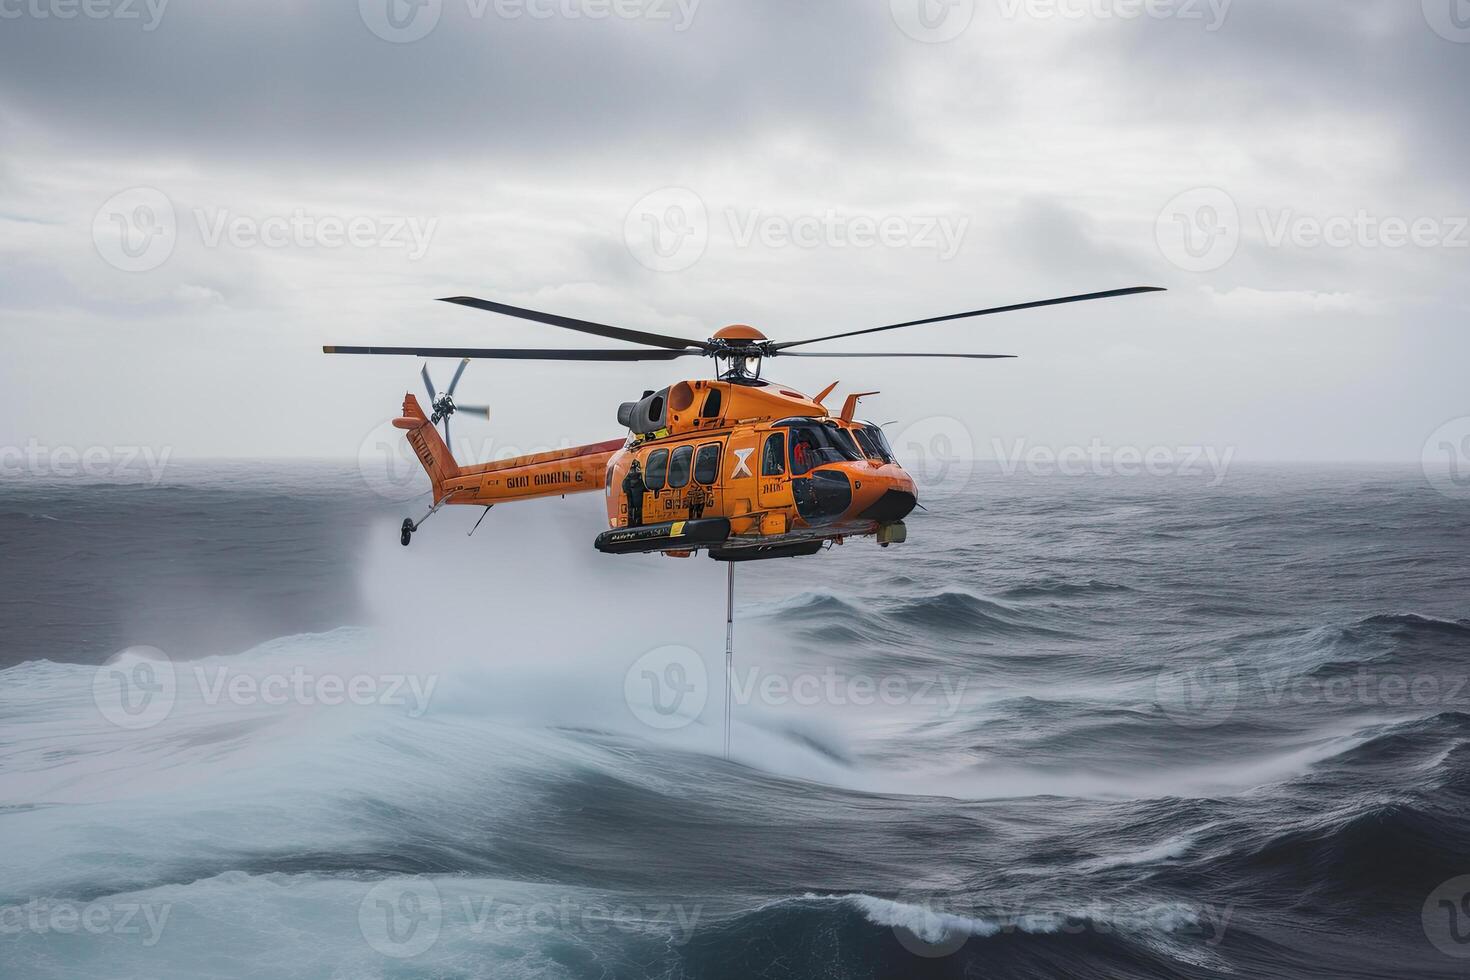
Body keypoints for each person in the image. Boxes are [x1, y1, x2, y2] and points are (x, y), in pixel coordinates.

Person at [622, 459, 647, 527]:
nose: (633, 472)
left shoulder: (641, 481)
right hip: (632, 505)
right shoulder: (627, 482)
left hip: (639, 507)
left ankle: (637, 518)